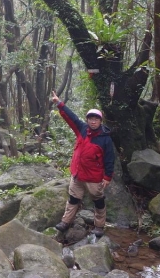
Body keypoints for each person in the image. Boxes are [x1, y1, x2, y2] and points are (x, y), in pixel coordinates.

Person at [49, 90, 115, 237]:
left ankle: (99, 226)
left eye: (96, 119)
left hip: (94, 177)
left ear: (100, 121)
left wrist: (107, 177)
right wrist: (59, 103)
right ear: (87, 120)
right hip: (77, 174)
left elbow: (110, 159)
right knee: (73, 198)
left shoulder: (105, 139)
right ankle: (66, 221)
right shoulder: (82, 129)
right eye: (90, 119)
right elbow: (71, 117)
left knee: (98, 201)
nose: (93, 121)